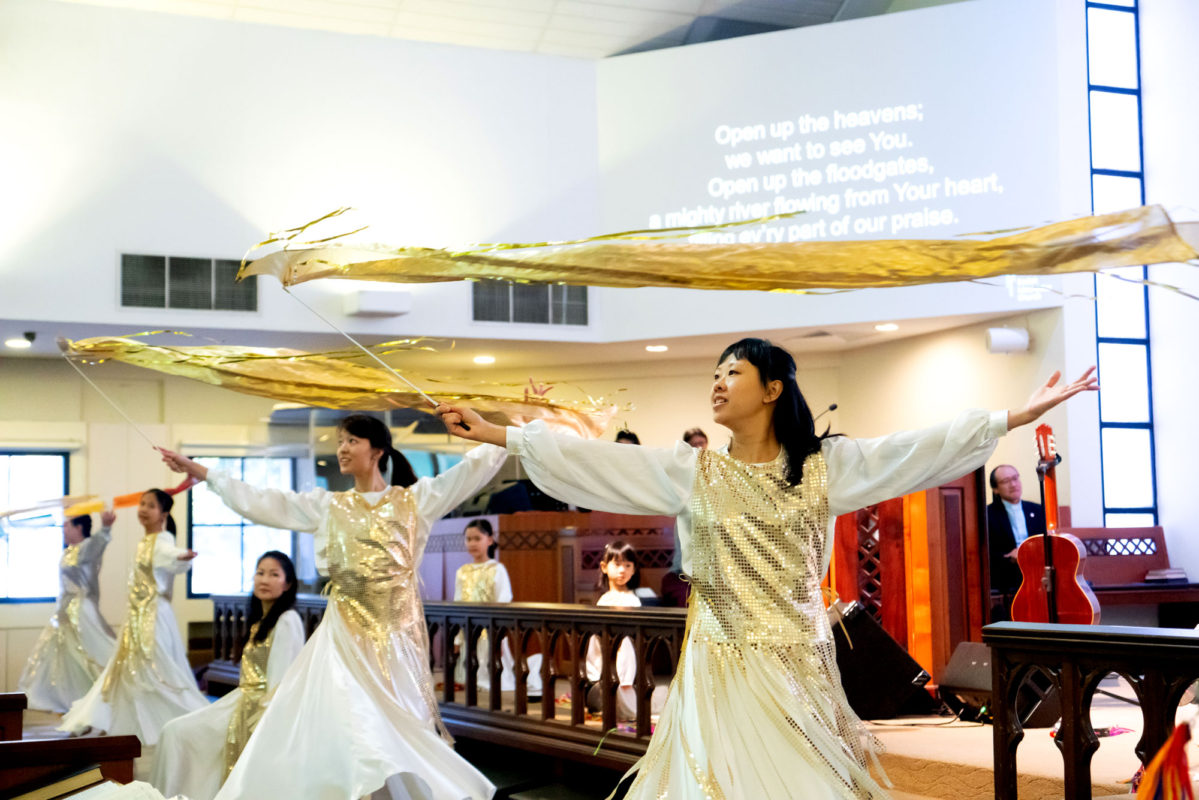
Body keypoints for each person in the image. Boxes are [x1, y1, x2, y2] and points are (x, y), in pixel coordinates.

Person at [437, 337, 1097, 800]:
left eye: (733, 372)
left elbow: (915, 448)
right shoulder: (693, 471)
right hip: (718, 661)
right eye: (715, 374)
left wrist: (1012, 416)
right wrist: (496, 432)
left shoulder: (823, 467)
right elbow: (600, 462)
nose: (718, 383)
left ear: (772, 388)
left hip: (795, 663)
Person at [158, 414, 507, 800]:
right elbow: (266, 501)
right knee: (350, 725)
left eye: (351, 441)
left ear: (377, 451)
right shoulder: (328, 506)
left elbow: (472, 471)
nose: (342, 448)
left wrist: (511, 427)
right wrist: (205, 473)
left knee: (398, 731)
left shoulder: (414, 500)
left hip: (397, 641)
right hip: (343, 636)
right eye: (340, 441)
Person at [151, 551, 305, 800]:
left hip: (258, 710)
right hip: (242, 701)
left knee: (178, 734)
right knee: (174, 732)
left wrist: (265, 726)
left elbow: (281, 682)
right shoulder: (261, 621)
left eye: (274, 574)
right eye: (260, 572)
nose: (264, 579)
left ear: (287, 584)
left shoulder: (287, 619)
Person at [60, 490, 205, 747]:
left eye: (150, 505)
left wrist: (182, 557)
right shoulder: (144, 541)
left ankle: (191, 722)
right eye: (142, 504)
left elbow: (169, 554)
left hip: (154, 619)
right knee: (127, 671)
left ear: (164, 514)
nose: (143, 509)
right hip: (137, 619)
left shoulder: (162, 539)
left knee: (159, 670)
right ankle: (116, 722)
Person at [19, 511, 117, 713]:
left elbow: (99, 542)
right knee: (66, 660)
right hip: (64, 611)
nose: (63, 529)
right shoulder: (68, 552)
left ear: (79, 528)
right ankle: (74, 705)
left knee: (91, 654)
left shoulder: (86, 549)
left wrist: (106, 526)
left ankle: (102, 699)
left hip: (81, 611)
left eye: (67, 525)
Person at [453, 519, 541, 694]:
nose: (472, 543)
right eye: (469, 539)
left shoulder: (497, 569)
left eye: (477, 538)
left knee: (491, 668)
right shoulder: (462, 571)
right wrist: (457, 637)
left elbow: (503, 600)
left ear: (490, 540)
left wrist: (498, 631)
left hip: (489, 629)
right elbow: (457, 603)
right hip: (468, 628)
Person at [584, 541, 651, 720]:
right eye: (617, 564)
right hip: (607, 660)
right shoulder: (604, 600)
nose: (622, 570)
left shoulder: (633, 601)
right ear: (604, 567)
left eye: (628, 565)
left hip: (627, 661)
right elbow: (595, 643)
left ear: (634, 569)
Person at [987, 464, 1047, 596]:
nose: (1013, 484)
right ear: (995, 489)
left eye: (1015, 478)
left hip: (1037, 569)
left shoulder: (1037, 510)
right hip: (1007, 573)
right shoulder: (987, 514)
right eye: (1006, 481)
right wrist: (1008, 556)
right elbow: (986, 552)